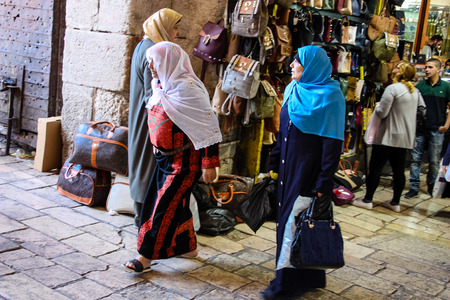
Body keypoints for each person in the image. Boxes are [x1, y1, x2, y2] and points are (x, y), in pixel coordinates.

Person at [123, 42, 222, 273]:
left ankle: (145, 256)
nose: (150, 67)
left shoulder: (190, 90)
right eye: (149, 62)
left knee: (161, 207)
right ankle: (187, 247)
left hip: (185, 163)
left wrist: (209, 165)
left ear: (169, 62)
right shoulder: (160, 84)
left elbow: (208, 128)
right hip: (164, 160)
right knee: (178, 204)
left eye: (154, 61)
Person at [263, 46, 345, 299]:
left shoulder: (331, 97)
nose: (291, 65)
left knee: (293, 223)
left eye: (297, 61)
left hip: (307, 172)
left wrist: (323, 183)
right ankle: (310, 275)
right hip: (288, 167)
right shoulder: (292, 89)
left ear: (311, 66)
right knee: (295, 221)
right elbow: (283, 134)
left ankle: (285, 285)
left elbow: (332, 145)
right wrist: (273, 165)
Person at [128, 8, 182, 227]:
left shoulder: (144, 44)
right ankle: (143, 216)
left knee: (141, 160)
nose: (178, 32)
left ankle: (141, 213)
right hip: (150, 117)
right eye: (175, 27)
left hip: (142, 113)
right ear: (163, 27)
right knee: (146, 161)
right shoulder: (154, 50)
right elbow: (155, 92)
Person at [353, 63, 426, 212]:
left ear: (401, 73)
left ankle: (368, 199)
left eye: (397, 68)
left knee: (375, 168)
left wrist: (378, 105)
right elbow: (422, 111)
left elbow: (382, 112)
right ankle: (395, 203)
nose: (393, 70)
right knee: (398, 170)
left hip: (388, 136)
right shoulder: (415, 92)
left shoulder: (392, 89)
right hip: (405, 138)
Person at [405, 58, 450, 198]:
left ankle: (431, 185)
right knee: (415, 158)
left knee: (434, 160)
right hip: (420, 128)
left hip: (437, 128)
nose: (427, 70)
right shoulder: (420, 86)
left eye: (430, 67)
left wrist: (447, 125)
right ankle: (414, 186)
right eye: (426, 67)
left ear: (438, 69)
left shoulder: (445, 87)